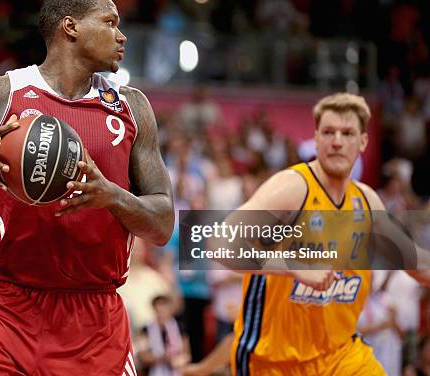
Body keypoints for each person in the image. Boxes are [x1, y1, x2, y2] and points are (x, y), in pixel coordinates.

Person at [0, 0, 174, 375]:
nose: (122, 36)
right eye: (110, 23)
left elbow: (164, 223)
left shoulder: (133, 108)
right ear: (71, 27)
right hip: (2, 308)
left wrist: (113, 197)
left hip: (93, 319)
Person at [182, 93, 430, 376]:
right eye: (328, 132)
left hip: (341, 356)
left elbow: (417, 263)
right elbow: (220, 245)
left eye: (347, 133)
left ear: (362, 141)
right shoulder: (293, 188)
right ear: (317, 138)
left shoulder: (367, 201)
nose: (337, 141)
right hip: (275, 363)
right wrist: (295, 266)